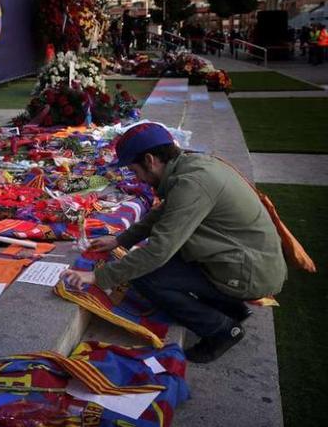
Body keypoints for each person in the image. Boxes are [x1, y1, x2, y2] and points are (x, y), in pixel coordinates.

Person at [61, 123, 286, 363]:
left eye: (135, 171)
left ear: (150, 160)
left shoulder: (192, 184)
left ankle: (220, 330)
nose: (138, 179)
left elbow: (158, 251)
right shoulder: (192, 168)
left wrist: (98, 277)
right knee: (158, 262)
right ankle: (231, 307)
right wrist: (120, 240)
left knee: (146, 274)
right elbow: (163, 214)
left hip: (250, 272)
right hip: (248, 263)